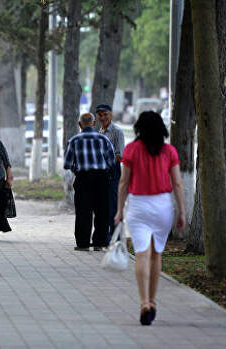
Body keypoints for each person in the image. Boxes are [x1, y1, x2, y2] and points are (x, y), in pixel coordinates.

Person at [114, 111, 185, 326]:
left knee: (142, 254)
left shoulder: (131, 150)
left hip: (138, 205)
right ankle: (153, 302)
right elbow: (178, 183)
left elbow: (124, 183)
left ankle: (143, 302)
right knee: (156, 254)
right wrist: (181, 211)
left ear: (139, 128)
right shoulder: (169, 151)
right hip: (163, 205)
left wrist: (119, 210)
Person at [63, 113, 115, 251]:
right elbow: (111, 161)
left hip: (83, 178)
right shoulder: (104, 139)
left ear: (80, 124)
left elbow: (67, 164)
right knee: (102, 211)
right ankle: (99, 243)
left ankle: (83, 243)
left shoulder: (73, 140)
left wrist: (76, 169)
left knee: (83, 211)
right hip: (102, 178)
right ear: (93, 123)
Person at [95, 104, 125, 241]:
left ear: (111, 115)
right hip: (101, 173)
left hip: (113, 172)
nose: (103, 117)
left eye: (105, 114)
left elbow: (121, 156)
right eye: (100, 115)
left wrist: (104, 158)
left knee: (113, 206)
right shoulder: (99, 132)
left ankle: (116, 239)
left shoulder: (117, 131)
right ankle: (106, 238)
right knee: (103, 207)